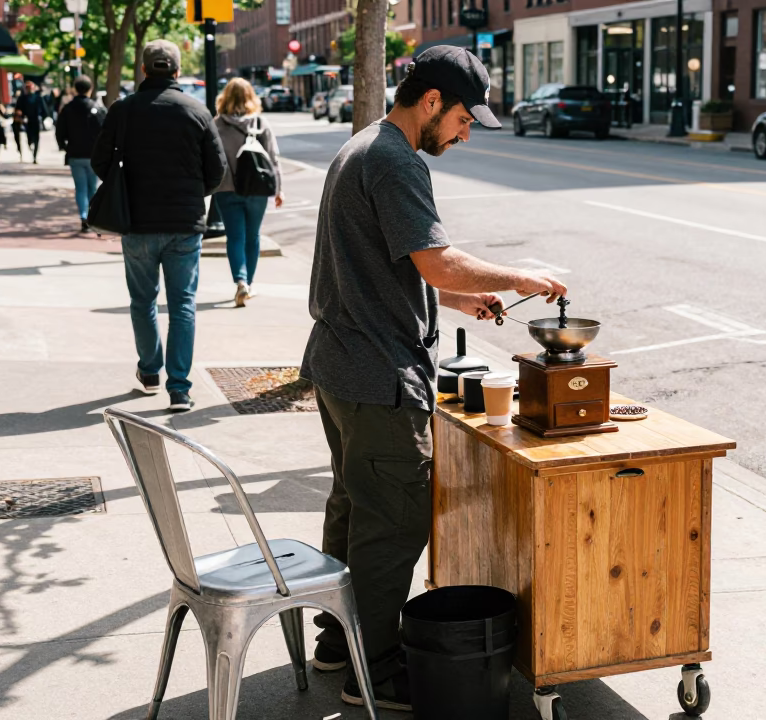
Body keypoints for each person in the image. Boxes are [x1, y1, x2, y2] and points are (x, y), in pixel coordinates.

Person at [301, 46, 568, 712]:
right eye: (463, 119)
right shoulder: (395, 161)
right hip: (377, 374)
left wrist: (457, 301)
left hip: (342, 364)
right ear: (429, 103)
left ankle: (339, 639)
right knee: (395, 521)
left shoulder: (362, 147)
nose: (466, 132)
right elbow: (440, 262)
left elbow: (390, 270)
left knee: (356, 503)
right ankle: (376, 669)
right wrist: (516, 276)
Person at [92, 39, 226, 412]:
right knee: (183, 304)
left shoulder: (123, 110)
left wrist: (125, 182)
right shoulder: (197, 112)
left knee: (142, 300)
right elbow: (217, 171)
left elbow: (99, 162)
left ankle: (150, 370)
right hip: (184, 223)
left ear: (145, 70)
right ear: (178, 71)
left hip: (136, 221)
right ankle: (179, 388)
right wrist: (194, 193)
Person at [211, 78, 284, 307]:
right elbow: (273, 158)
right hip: (257, 188)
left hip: (225, 189)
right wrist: (279, 189)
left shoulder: (216, 125)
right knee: (253, 237)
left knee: (234, 237)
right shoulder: (260, 123)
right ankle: (248, 285)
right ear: (251, 97)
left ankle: (240, 281)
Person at [56, 75, 107, 233]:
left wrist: (64, 146)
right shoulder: (98, 109)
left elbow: (60, 132)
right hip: (94, 155)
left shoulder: (68, 108)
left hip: (75, 154)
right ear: (90, 89)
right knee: (93, 188)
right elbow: (106, 131)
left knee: (80, 188)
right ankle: (92, 216)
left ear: (74, 89)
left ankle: (83, 215)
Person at [15, 81, 47, 163]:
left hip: (36, 120)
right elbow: (18, 109)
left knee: (36, 139)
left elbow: (44, 110)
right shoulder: (22, 98)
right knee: (29, 137)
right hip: (27, 121)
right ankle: (31, 146)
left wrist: (43, 118)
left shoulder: (38, 98)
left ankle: (35, 156)